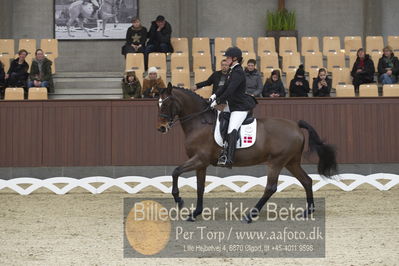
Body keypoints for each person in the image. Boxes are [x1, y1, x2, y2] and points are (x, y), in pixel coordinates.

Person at [209, 47, 257, 168]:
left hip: (240, 107)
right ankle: (223, 148)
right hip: (232, 106)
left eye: (228, 58)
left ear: (235, 59)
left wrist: (218, 101)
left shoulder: (239, 72)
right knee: (220, 120)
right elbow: (224, 87)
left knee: (232, 128)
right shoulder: (232, 71)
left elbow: (230, 90)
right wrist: (214, 95)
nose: (226, 59)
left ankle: (229, 158)